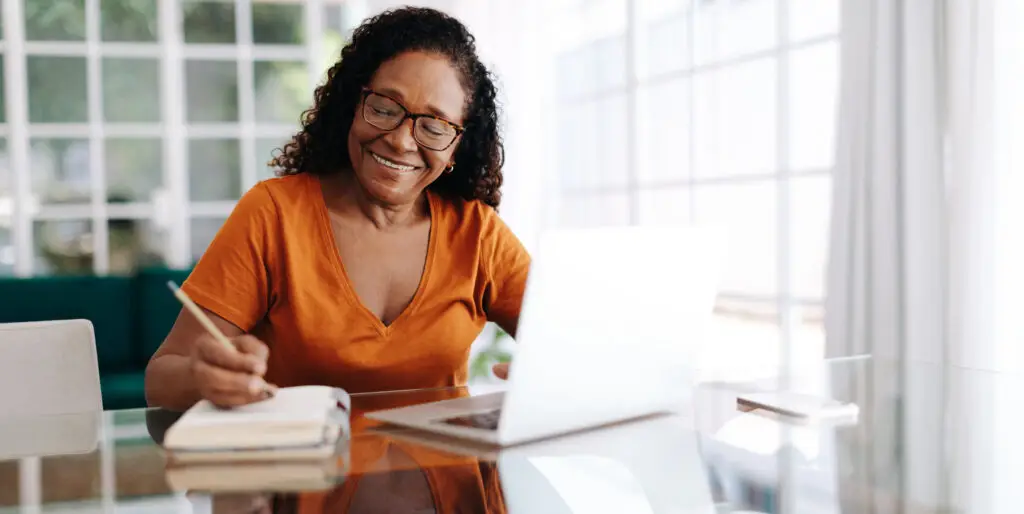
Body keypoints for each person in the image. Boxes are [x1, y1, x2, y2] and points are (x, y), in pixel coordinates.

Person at [145, 7, 529, 411]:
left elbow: (577, 349)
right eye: (383, 108)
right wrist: (204, 378)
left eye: (433, 127)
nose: (400, 141)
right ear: (352, 105)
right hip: (303, 470)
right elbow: (161, 379)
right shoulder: (274, 214)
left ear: (456, 147)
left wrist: (551, 374)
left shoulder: (477, 234)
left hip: (445, 473)